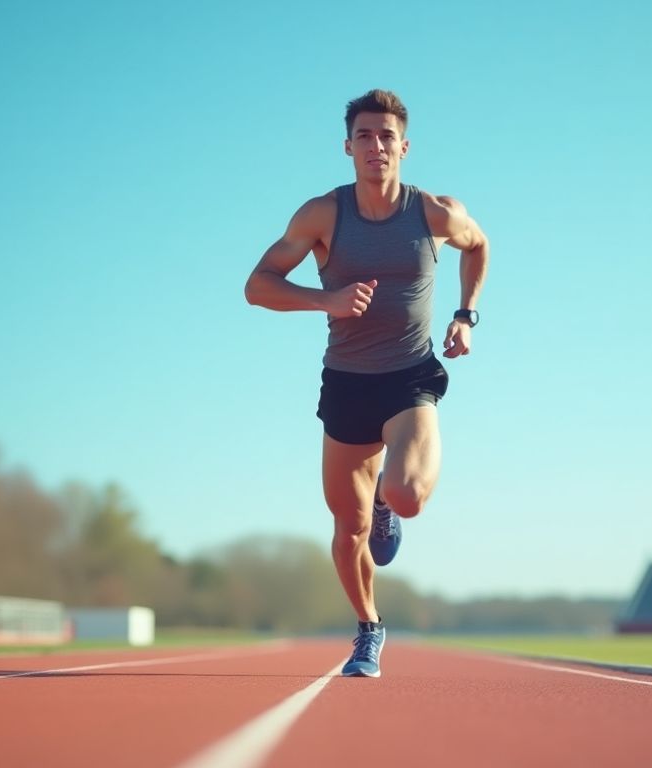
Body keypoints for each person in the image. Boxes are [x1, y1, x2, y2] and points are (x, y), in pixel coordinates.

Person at [244, 89, 489, 678]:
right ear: (348, 147)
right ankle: (369, 628)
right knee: (348, 528)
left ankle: (388, 499)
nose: (375, 146)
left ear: (403, 146)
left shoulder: (435, 212)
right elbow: (258, 285)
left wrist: (466, 314)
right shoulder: (323, 215)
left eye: (386, 136)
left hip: (410, 377)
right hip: (347, 384)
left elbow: (478, 245)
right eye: (364, 136)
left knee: (405, 495)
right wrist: (325, 298)